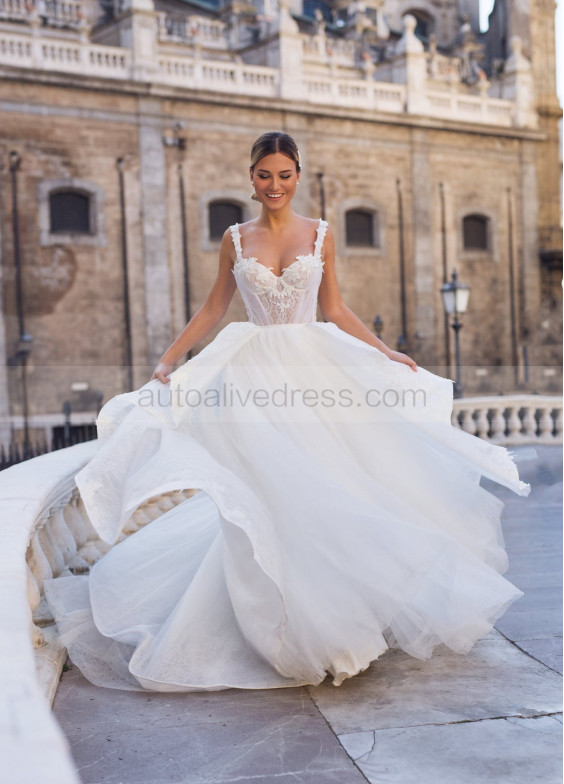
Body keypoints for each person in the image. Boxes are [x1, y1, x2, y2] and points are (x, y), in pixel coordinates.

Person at [44, 131, 531, 693]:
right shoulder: (235, 238)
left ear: (298, 176)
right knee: (272, 495)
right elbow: (214, 308)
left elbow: (335, 308)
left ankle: (335, 621)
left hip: (313, 371)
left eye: (284, 174)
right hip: (253, 376)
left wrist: (385, 351)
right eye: (263, 175)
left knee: (326, 489)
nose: (274, 185)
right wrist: (170, 357)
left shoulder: (321, 234)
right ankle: (288, 627)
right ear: (251, 178)